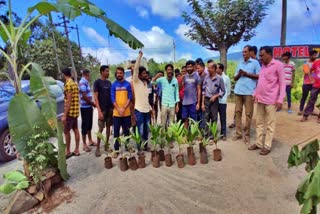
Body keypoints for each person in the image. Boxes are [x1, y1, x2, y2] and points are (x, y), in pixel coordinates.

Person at [249, 46, 285, 155]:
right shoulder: (263, 66)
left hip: (271, 100)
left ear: (269, 54)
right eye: (259, 55)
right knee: (259, 122)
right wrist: (255, 93)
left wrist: (280, 99)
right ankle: (259, 143)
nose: (260, 58)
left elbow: (283, 84)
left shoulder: (278, 65)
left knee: (270, 124)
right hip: (260, 99)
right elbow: (260, 81)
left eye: (262, 55)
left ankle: (267, 146)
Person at [233, 45, 260, 144]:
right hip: (238, 91)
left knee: (248, 114)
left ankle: (247, 135)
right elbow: (234, 78)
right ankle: (238, 133)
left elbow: (259, 76)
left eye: (245, 52)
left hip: (249, 92)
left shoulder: (255, 63)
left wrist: (246, 73)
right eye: (243, 52)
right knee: (238, 112)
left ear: (250, 52)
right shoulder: (240, 63)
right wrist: (239, 74)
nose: (243, 53)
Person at [111, 67, 132, 157]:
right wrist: (119, 109)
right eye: (117, 73)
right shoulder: (113, 85)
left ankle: (127, 146)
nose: (119, 74)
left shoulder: (127, 84)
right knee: (116, 132)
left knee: (126, 131)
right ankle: (116, 149)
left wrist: (123, 108)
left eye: (120, 73)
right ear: (116, 74)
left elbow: (130, 97)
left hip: (126, 112)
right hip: (116, 113)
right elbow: (112, 98)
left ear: (123, 74)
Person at [133, 51, 151, 150]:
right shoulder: (136, 81)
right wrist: (139, 57)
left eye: (145, 73)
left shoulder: (145, 83)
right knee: (139, 130)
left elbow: (146, 98)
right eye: (143, 73)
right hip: (139, 110)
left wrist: (150, 107)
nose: (145, 74)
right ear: (139, 75)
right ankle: (139, 147)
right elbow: (135, 69)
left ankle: (145, 146)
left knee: (146, 130)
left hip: (147, 110)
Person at [93, 65, 113, 157]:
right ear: (102, 72)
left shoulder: (109, 83)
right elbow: (96, 98)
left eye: (108, 71)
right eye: (106, 71)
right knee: (101, 129)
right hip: (103, 109)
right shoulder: (97, 82)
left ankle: (106, 145)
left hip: (110, 109)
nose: (108, 73)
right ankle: (97, 148)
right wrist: (99, 111)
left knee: (109, 127)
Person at [152, 64, 179, 128]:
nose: (169, 71)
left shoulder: (175, 80)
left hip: (172, 104)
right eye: (168, 70)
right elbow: (152, 83)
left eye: (170, 70)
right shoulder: (162, 79)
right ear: (166, 71)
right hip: (164, 104)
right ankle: (163, 137)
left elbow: (176, 93)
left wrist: (177, 105)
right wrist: (156, 76)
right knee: (163, 123)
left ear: (172, 71)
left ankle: (170, 137)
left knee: (171, 123)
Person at [202, 62, 225, 138]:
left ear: (214, 69)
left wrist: (216, 96)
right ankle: (205, 135)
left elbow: (223, 91)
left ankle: (212, 136)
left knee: (214, 118)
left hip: (215, 101)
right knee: (206, 117)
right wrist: (202, 102)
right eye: (208, 67)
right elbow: (203, 91)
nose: (208, 69)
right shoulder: (206, 77)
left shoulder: (219, 79)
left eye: (209, 68)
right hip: (206, 100)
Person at [61, 67, 80, 158]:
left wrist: (64, 115)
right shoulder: (74, 83)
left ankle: (67, 151)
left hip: (70, 113)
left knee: (66, 131)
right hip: (75, 112)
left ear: (63, 74)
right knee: (76, 129)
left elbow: (68, 101)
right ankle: (76, 150)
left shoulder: (68, 84)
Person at [79, 69, 96, 153]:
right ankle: (84, 144)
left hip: (88, 107)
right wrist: (92, 103)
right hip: (85, 107)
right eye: (89, 75)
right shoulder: (82, 82)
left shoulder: (85, 82)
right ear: (86, 74)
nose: (89, 77)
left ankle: (90, 140)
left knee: (89, 124)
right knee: (85, 126)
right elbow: (85, 96)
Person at [182, 60, 201, 128]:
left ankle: (194, 135)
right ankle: (185, 136)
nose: (189, 68)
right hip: (185, 102)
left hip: (193, 102)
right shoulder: (184, 77)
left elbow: (199, 90)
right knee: (185, 120)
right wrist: (181, 79)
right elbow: (181, 87)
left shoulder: (197, 77)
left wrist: (198, 103)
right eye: (188, 67)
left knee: (194, 120)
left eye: (190, 67)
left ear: (193, 67)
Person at [299, 50, 318, 115]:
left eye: (316, 55)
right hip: (306, 83)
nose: (316, 56)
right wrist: (313, 71)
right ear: (310, 55)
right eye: (314, 55)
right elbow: (306, 72)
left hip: (315, 83)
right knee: (304, 96)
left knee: (313, 98)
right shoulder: (305, 62)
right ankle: (301, 110)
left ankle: (311, 110)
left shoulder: (317, 63)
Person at [301, 57, 320, 123]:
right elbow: (310, 70)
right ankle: (305, 115)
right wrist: (311, 78)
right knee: (311, 100)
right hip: (316, 85)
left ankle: (319, 118)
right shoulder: (316, 62)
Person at [216, 63, 231, 141]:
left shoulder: (226, 78)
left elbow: (228, 89)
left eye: (217, 68)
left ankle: (223, 134)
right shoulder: (214, 77)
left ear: (221, 69)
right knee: (214, 117)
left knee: (223, 118)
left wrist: (225, 98)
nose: (216, 69)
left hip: (222, 101)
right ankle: (214, 133)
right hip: (215, 101)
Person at [196, 59, 208, 129]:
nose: (197, 70)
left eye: (198, 68)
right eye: (197, 68)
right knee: (198, 116)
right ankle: (198, 131)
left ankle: (203, 132)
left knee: (203, 116)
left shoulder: (206, 77)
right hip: (197, 99)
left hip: (204, 99)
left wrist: (202, 103)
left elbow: (204, 91)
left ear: (203, 68)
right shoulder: (197, 77)